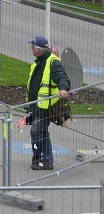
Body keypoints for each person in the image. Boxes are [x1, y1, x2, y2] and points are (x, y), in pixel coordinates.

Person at [16, 36, 70, 170]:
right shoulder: (38, 62)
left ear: (38, 49)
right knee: (38, 132)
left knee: (37, 132)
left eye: (33, 46)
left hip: (44, 107)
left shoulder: (53, 62)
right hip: (36, 105)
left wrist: (63, 88)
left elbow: (62, 76)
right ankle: (40, 158)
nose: (31, 48)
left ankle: (45, 160)